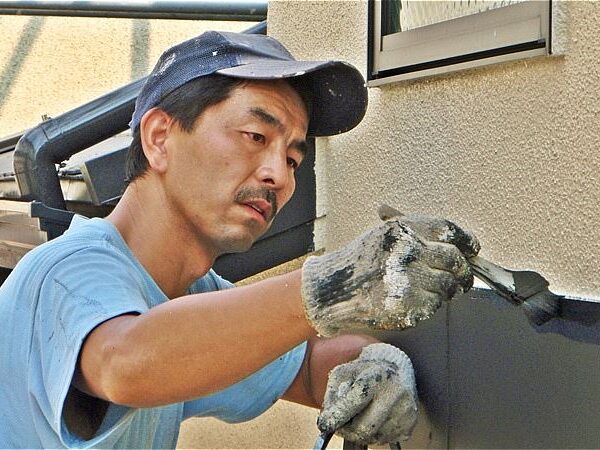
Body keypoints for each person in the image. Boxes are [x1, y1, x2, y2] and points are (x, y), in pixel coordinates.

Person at [0, 31, 480, 448]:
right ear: (160, 137)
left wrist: (374, 361)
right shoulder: (66, 271)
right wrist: (334, 287)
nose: (278, 176)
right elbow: (124, 362)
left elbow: (305, 365)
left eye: (293, 158)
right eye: (254, 136)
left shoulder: (189, 294)